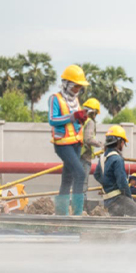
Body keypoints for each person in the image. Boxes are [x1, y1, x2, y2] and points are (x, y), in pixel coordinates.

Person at [48, 64, 89, 216]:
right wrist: (72, 117)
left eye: (80, 87)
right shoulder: (55, 99)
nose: (78, 89)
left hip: (76, 143)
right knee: (80, 173)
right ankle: (77, 214)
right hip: (63, 144)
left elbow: (74, 121)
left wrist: (81, 119)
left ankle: (61, 214)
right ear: (67, 84)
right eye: (76, 86)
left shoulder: (75, 100)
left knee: (68, 178)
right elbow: (52, 120)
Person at [94, 125, 136, 217]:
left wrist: (107, 184)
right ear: (119, 141)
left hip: (107, 200)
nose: (123, 145)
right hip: (117, 199)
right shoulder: (117, 159)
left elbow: (96, 174)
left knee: (117, 220)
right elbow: (122, 182)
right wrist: (129, 198)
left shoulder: (102, 157)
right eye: (123, 142)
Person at [80, 98, 103, 196]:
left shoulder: (80, 120)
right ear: (93, 112)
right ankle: (80, 204)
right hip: (84, 156)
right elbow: (88, 139)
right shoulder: (90, 122)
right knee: (83, 184)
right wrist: (101, 145)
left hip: (76, 155)